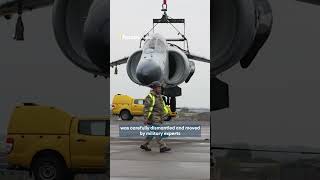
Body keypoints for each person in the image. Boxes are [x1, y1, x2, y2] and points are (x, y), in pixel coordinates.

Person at [140, 81, 171, 153]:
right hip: (153, 118)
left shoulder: (159, 97)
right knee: (158, 132)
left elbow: (163, 107)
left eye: (160, 87)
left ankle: (145, 145)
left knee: (151, 133)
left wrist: (165, 114)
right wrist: (146, 119)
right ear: (154, 88)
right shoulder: (150, 97)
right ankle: (163, 146)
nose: (160, 89)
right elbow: (146, 109)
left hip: (159, 117)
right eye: (158, 87)